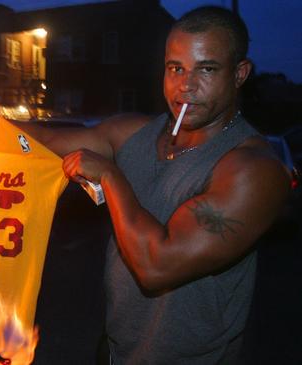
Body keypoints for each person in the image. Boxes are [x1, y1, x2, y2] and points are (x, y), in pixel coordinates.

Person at [15, 7, 291, 363]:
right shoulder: (134, 133)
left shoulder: (253, 169)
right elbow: (42, 142)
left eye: (206, 69)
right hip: (116, 351)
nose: (186, 85)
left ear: (239, 74)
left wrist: (111, 178)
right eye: (176, 68)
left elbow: (156, 267)